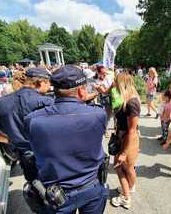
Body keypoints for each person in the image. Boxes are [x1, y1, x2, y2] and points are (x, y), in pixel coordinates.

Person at [24, 65, 108, 214]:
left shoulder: (33, 119)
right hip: (90, 188)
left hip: (55, 196)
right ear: (82, 90)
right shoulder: (98, 114)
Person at [0, 68, 53, 181]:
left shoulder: (0, 104)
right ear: (40, 82)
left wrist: (8, 140)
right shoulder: (47, 102)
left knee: (36, 187)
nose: (50, 87)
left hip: (26, 157)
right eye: (48, 83)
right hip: (50, 154)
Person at [111, 73, 141, 209]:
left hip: (127, 139)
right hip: (125, 137)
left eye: (116, 83)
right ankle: (129, 188)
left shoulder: (131, 103)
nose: (114, 85)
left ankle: (125, 197)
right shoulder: (131, 98)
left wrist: (124, 152)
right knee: (129, 167)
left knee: (119, 166)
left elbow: (132, 130)